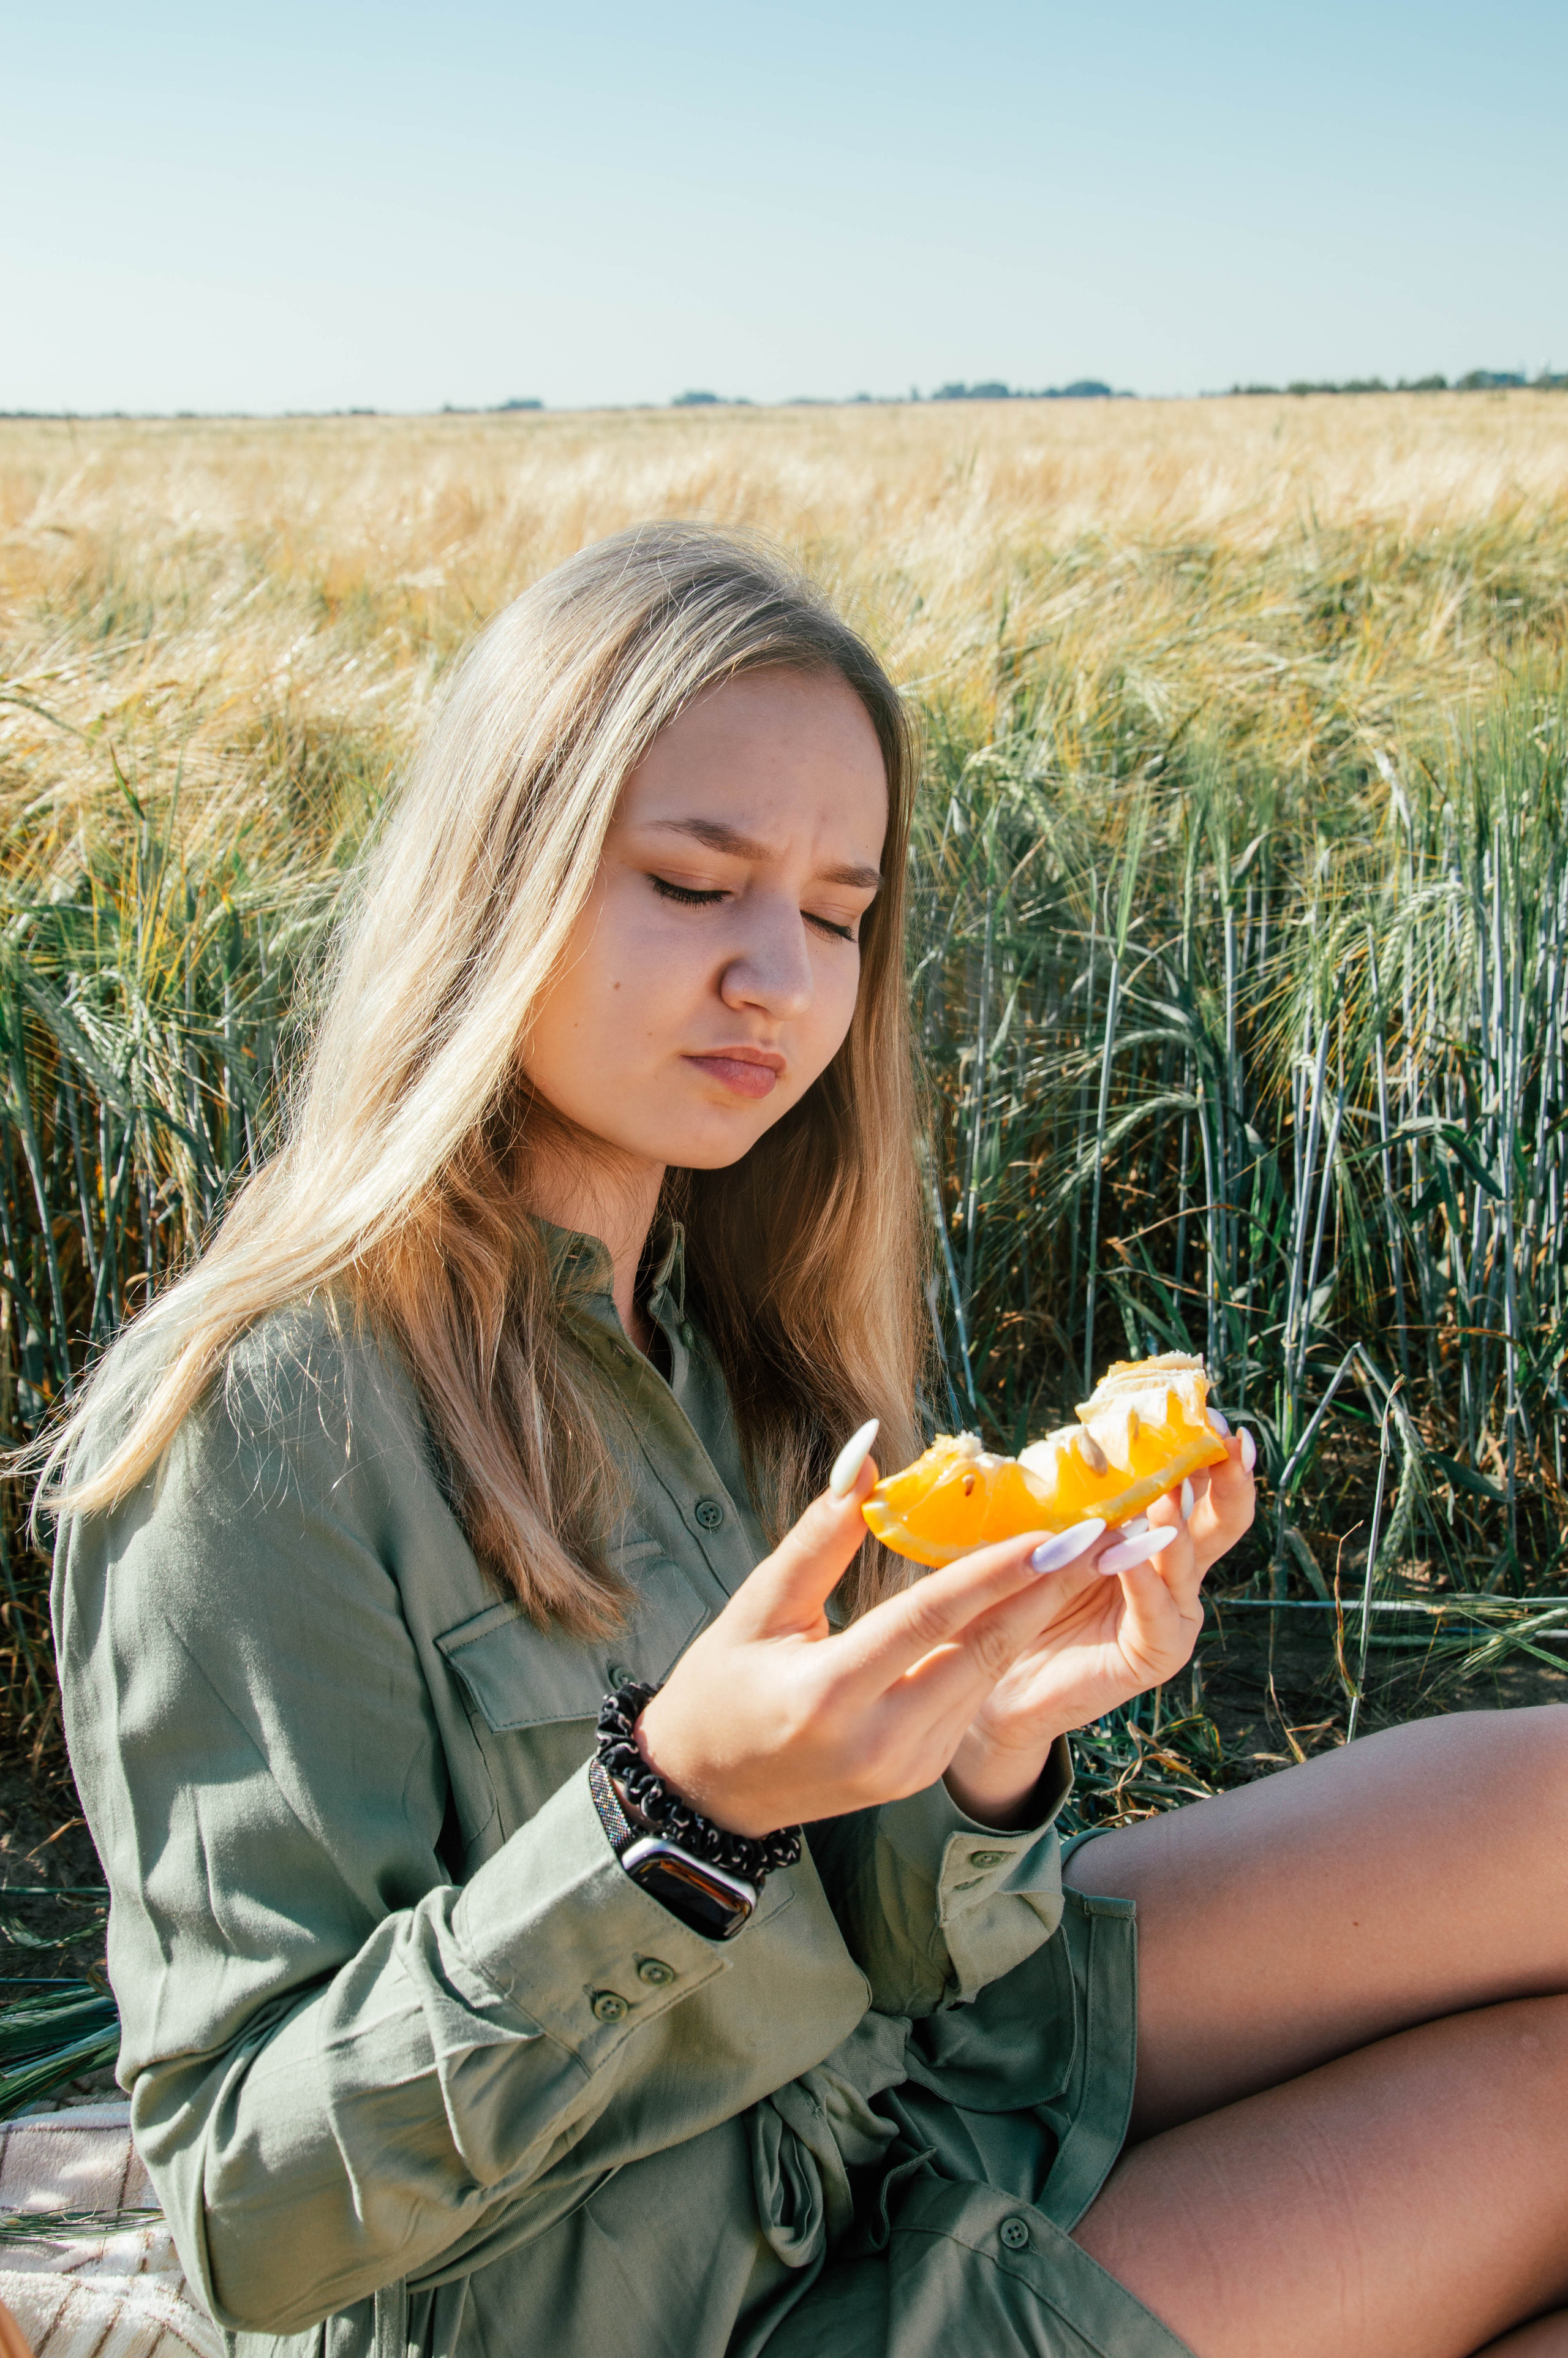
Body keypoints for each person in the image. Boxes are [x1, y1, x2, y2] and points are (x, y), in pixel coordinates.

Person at [43, 526, 1568, 2358]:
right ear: (497, 878)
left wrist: (996, 1749)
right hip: (701, 2312)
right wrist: (673, 1814)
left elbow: (895, 1952)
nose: (783, 973)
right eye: (697, 884)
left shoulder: (722, 1327)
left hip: (905, 2099)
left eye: (840, 913)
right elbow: (244, 2215)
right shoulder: (256, 1429)